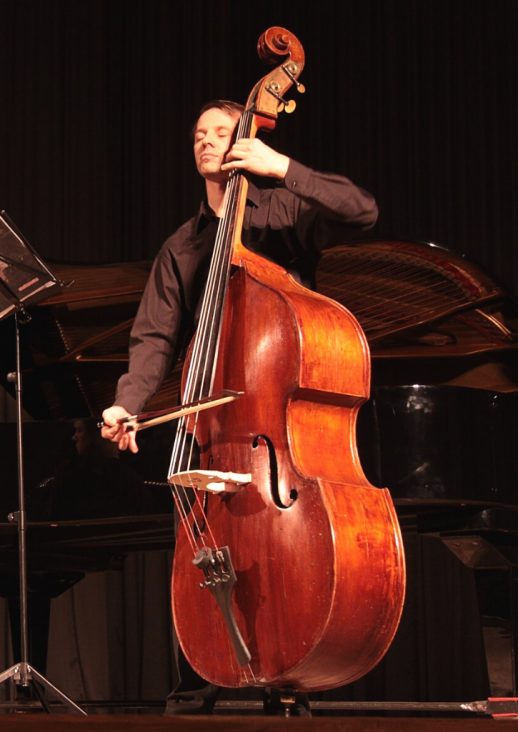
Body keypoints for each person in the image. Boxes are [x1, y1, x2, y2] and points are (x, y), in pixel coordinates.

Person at [102, 99, 378, 714]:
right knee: (207, 539)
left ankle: (290, 665)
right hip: (214, 424)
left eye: (221, 132)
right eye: (198, 133)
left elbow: (363, 211)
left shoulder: (285, 213)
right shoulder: (182, 246)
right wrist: (128, 403)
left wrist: (283, 166)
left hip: (279, 422)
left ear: (245, 141)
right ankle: (204, 673)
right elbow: (153, 338)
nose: (206, 141)